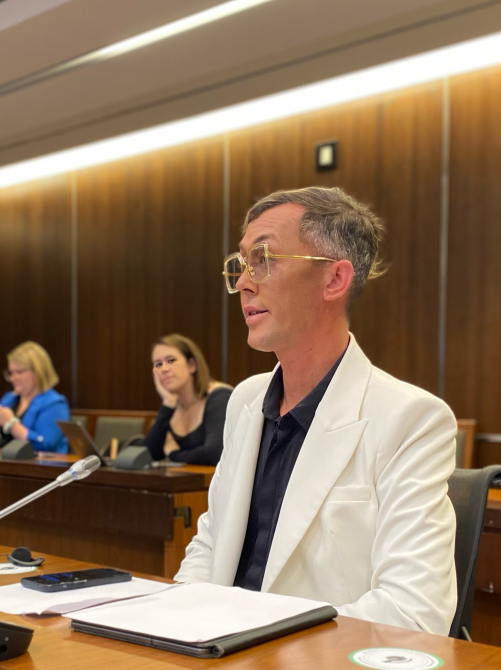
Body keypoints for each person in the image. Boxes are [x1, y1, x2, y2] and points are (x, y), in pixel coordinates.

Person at [174, 187, 458, 635]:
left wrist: (257, 641)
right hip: (215, 665)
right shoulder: (245, 401)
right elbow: (209, 545)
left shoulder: (411, 419)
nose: (245, 282)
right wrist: (176, 625)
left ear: (334, 280)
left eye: (264, 260)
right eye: (242, 263)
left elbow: (413, 612)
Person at [144, 335, 233, 466]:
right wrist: (167, 404)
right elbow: (148, 454)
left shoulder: (220, 397)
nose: (164, 369)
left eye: (171, 361)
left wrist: (174, 454)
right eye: (158, 364)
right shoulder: (172, 405)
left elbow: (214, 454)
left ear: (191, 365)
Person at [0, 341, 70, 453]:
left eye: (19, 372)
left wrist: (10, 424)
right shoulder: (9, 398)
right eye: (10, 373)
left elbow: (45, 444)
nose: (13, 378)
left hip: (39, 468)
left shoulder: (55, 404)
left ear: (38, 371)